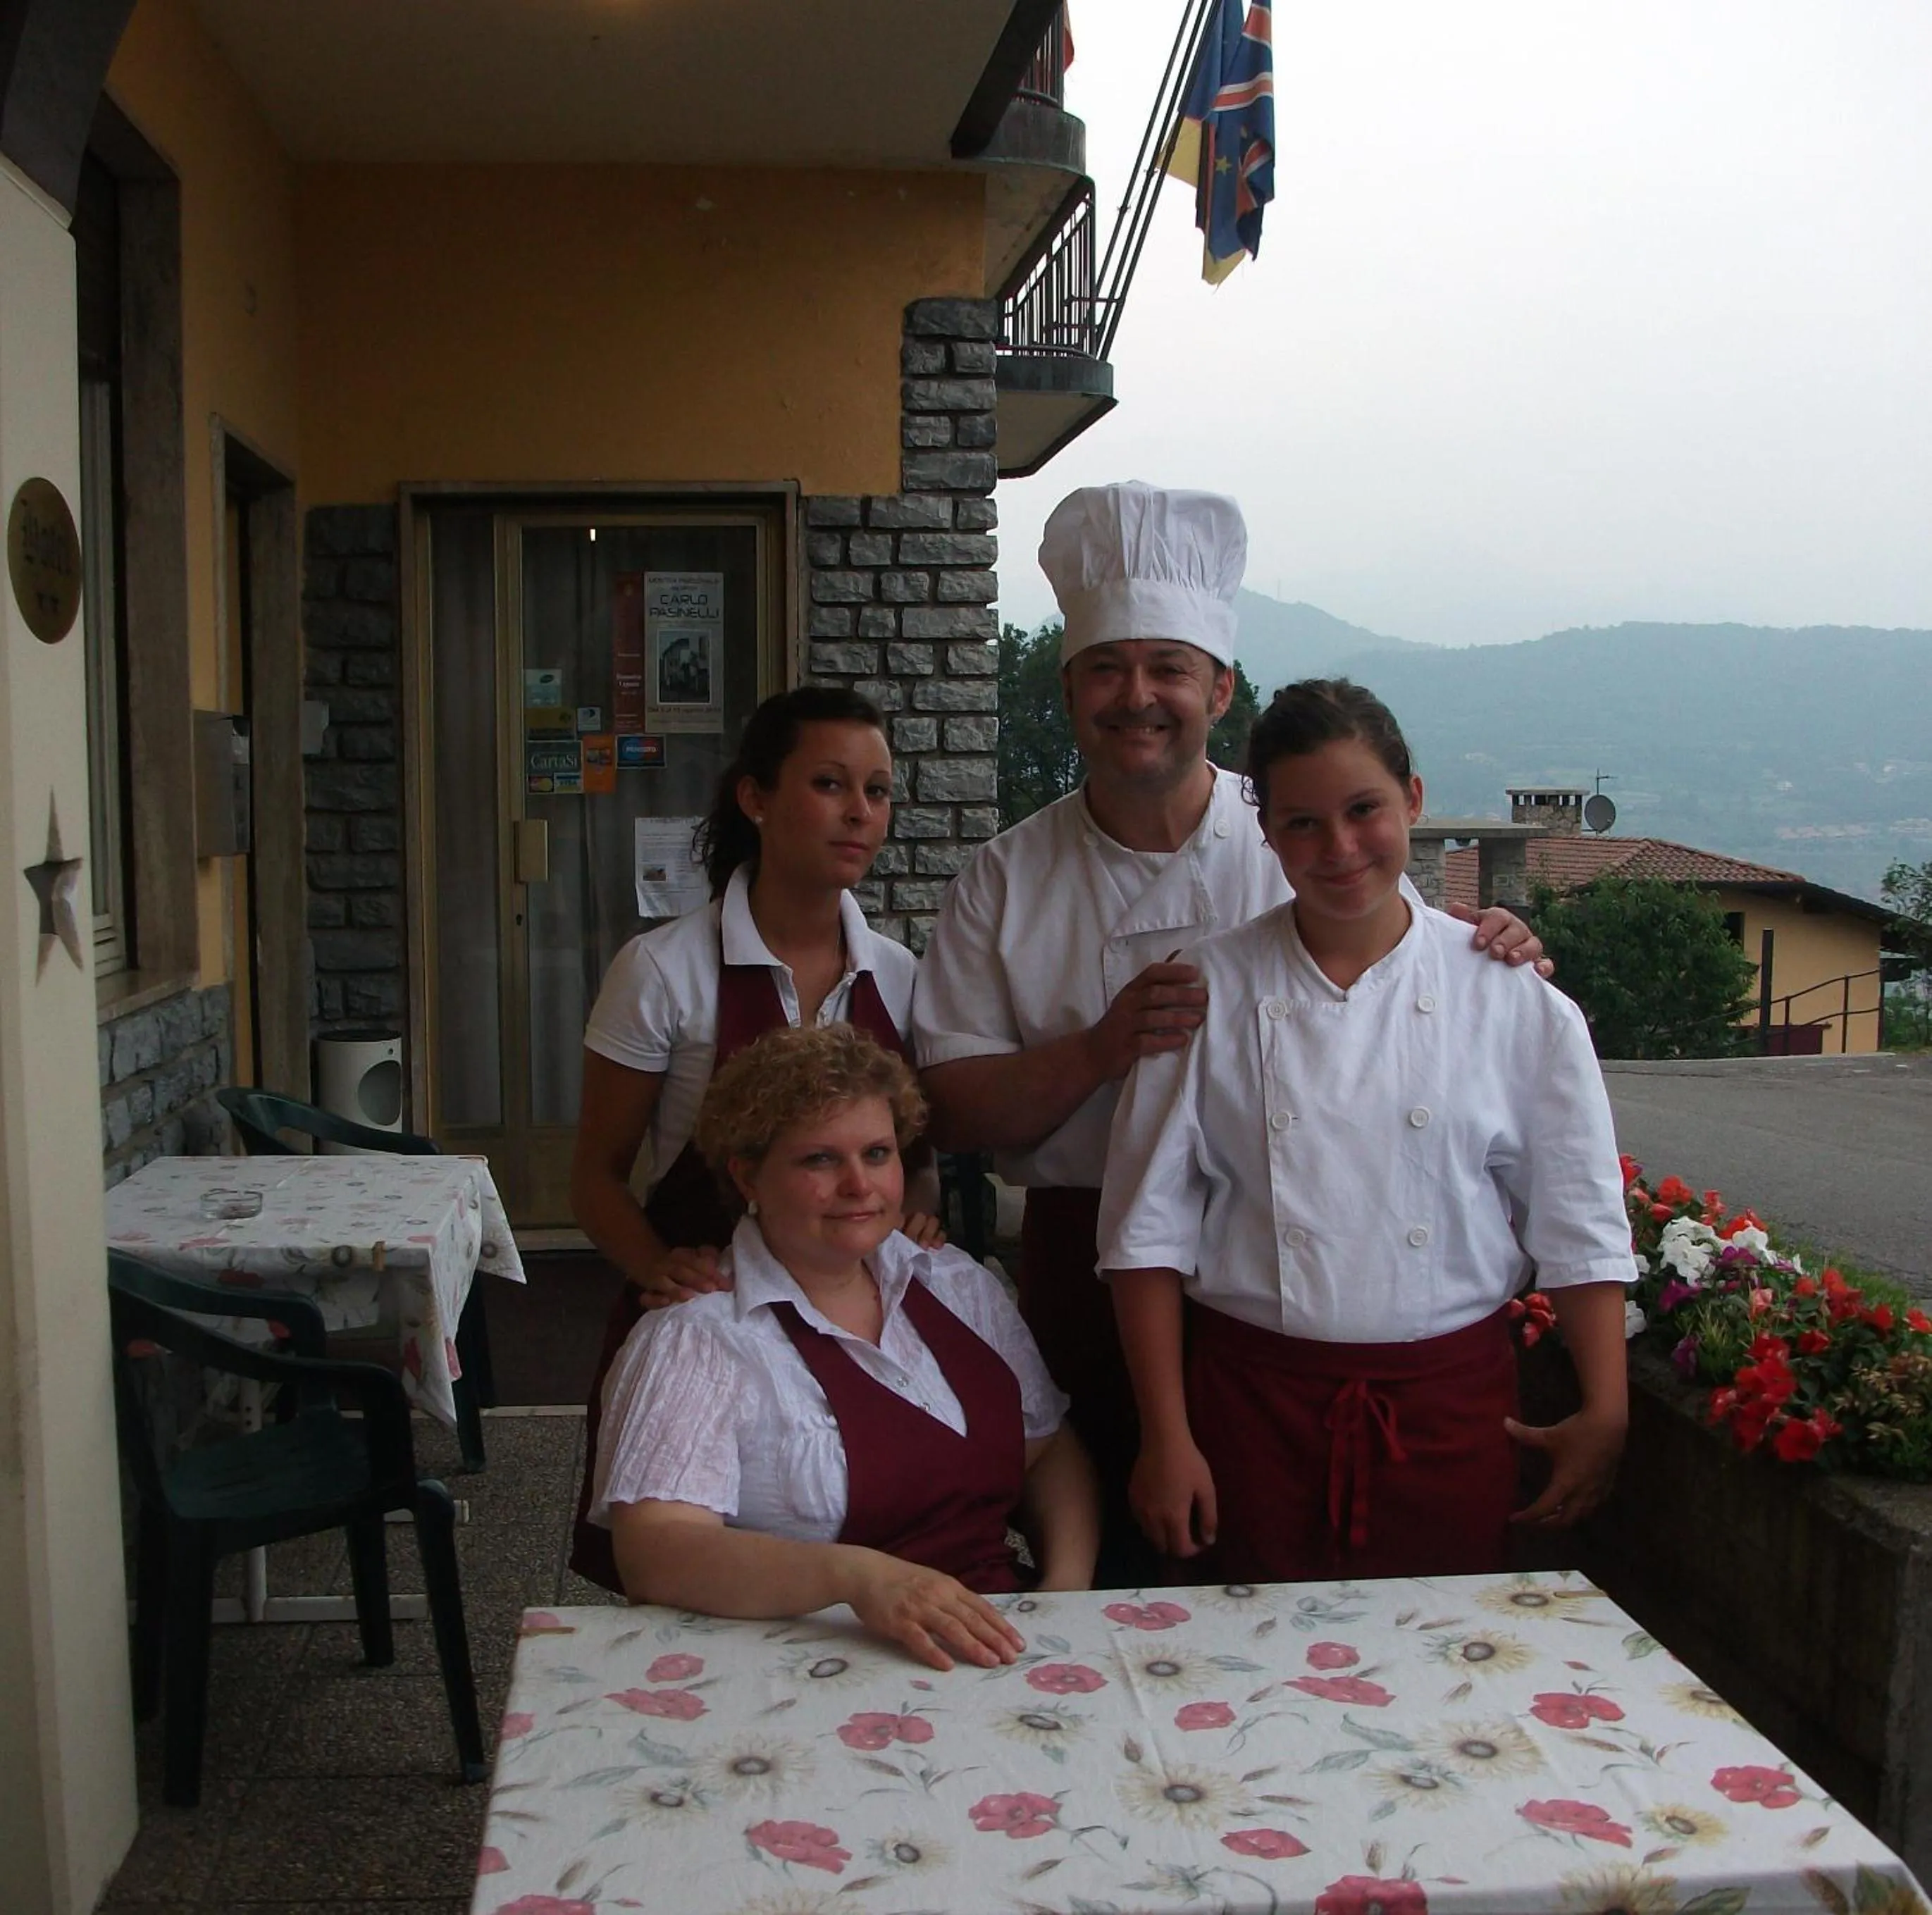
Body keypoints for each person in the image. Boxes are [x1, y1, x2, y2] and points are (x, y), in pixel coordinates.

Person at [912, 481, 1548, 1580]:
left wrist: (1495, 943)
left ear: (1218, 687)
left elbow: (1408, 970)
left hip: (1287, 1278)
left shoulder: (1295, 835)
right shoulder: (1004, 878)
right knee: (1109, 1555)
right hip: (1081, 1258)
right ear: (1067, 692)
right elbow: (952, 1110)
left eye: (1167, 668)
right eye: (1106, 670)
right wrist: (1100, 1048)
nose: (1137, 697)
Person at [1099, 678, 1636, 1583]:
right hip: (1250, 1415)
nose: (1339, 848)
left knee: (1448, 1658)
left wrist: (1606, 1411)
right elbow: (1144, 1236)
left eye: (1363, 811)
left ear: (1412, 801)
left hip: (1451, 1414)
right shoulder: (1204, 992)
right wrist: (1166, 1437)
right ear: (1268, 833)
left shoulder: (1512, 999)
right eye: (1303, 823)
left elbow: (1578, 1221)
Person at [566, 686, 929, 1592]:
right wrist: (657, 1267)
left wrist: (917, 1217)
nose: (860, 813)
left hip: (857, 1325)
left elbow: (911, 1158)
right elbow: (596, 1176)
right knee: (689, 1574)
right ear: (756, 797)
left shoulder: (900, 976)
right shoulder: (662, 971)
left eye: (878, 791)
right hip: (712, 1324)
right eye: (830, 784)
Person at [588, 1024, 1099, 1667]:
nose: (860, 1185)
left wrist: (1062, 1595)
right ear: (748, 1177)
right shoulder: (697, 1337)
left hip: (997, 1644)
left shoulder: (956, 1285)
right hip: (803, 1666)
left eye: (878, 1154)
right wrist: (856, 1578)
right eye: (820, 1160)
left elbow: (1049, 1449)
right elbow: (656, 1554)